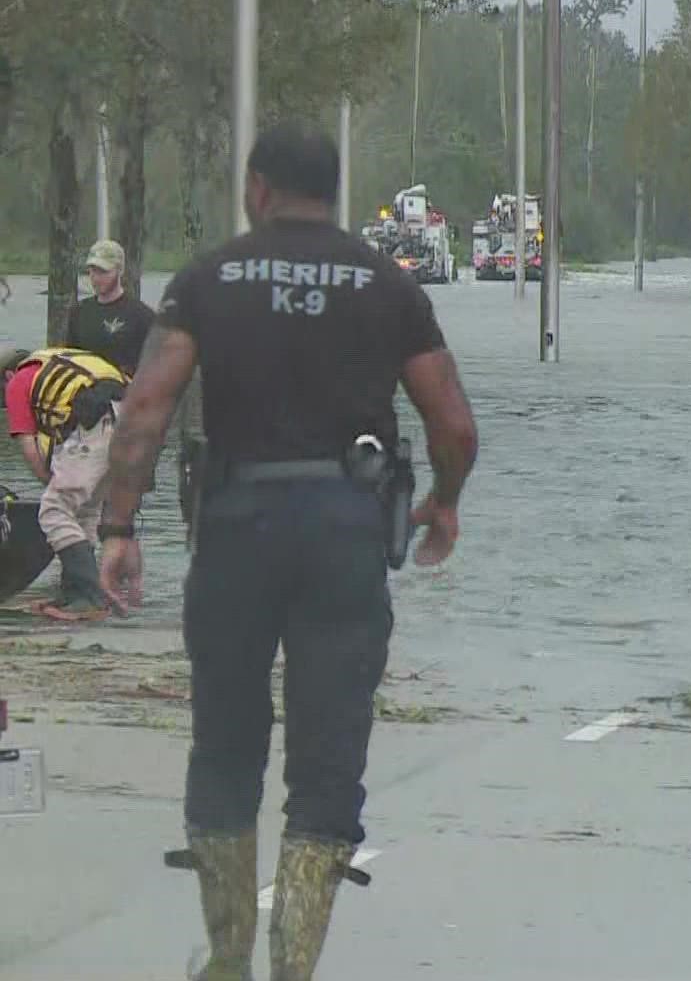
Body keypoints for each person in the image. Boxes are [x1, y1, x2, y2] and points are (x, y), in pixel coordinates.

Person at [94, 122, 478, 981]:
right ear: (333, 192)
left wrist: (119, 529)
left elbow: (147, 408)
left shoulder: (208, 279)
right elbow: (452, 422)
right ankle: (292, 967)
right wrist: (443, 503)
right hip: (346, 533)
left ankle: (227, 956)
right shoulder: (387, 284)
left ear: (258, 188)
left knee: (226, 745)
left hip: (236, 530)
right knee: (328, 758)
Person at [0, 343, 130, 622]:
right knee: (84, 511)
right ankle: (75, 594)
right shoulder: (55, 362)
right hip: (132, 420)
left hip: (99, 422)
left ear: (7, 375)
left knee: (54, 510)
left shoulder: (17, 383)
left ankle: (88, 598)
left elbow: (30, 449)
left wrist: (52, 486)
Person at [66, 240, 156, 377]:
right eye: (92, 271)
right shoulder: (78, 312)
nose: (96, 278)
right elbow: (69, 361)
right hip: (85, 393)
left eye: (103, 271)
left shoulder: (142, 316)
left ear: (120, 270)